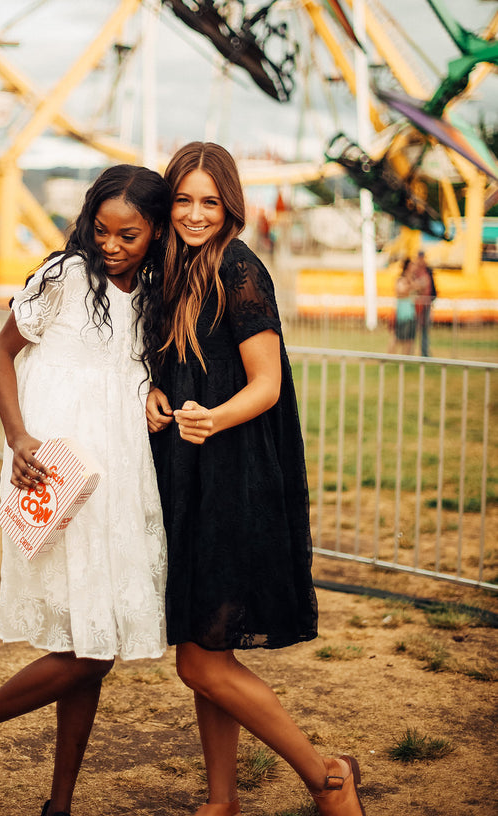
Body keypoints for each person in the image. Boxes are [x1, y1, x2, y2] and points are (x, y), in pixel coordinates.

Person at [0, 165, 170, 815]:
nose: (111, 245)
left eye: (130, 235)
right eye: (102, 230)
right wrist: (16, 436)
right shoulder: (65, 279)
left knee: (87, 646)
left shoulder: (157, 293)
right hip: (55, 469)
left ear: (157, 233)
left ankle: (58, 804)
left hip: (121, 479)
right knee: (90, 652)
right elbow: (1, 355)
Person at [146, 142, 365, 816]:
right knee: (201, 645)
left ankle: (326, 777)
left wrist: (211, 419)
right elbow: (168, 365)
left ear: (230, 204)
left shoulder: (238, 267)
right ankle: (221, 800)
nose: (193, 213)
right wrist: (149, 394)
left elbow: (266, 384)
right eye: (183, 199)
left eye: (208, 201)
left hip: (231, 477)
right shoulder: (167, 271)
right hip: (187, 474)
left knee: (198, 659)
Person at [388, 258, 417, 354]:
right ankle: (391, 355)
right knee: (398, 336)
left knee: (409, 338)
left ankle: (406, 357)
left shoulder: (411, 279)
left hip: (410, 312)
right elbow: (400, 291)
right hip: (403, 312)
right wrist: (411, 287)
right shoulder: (402, 279)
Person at [412, 250, 436, 357]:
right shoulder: (415, 271)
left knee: (425, 329)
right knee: (413, 329)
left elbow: (431, 287)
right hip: (417, 305)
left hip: (426, 304)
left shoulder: (427, 270)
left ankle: (424, 352)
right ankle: (410, 352)